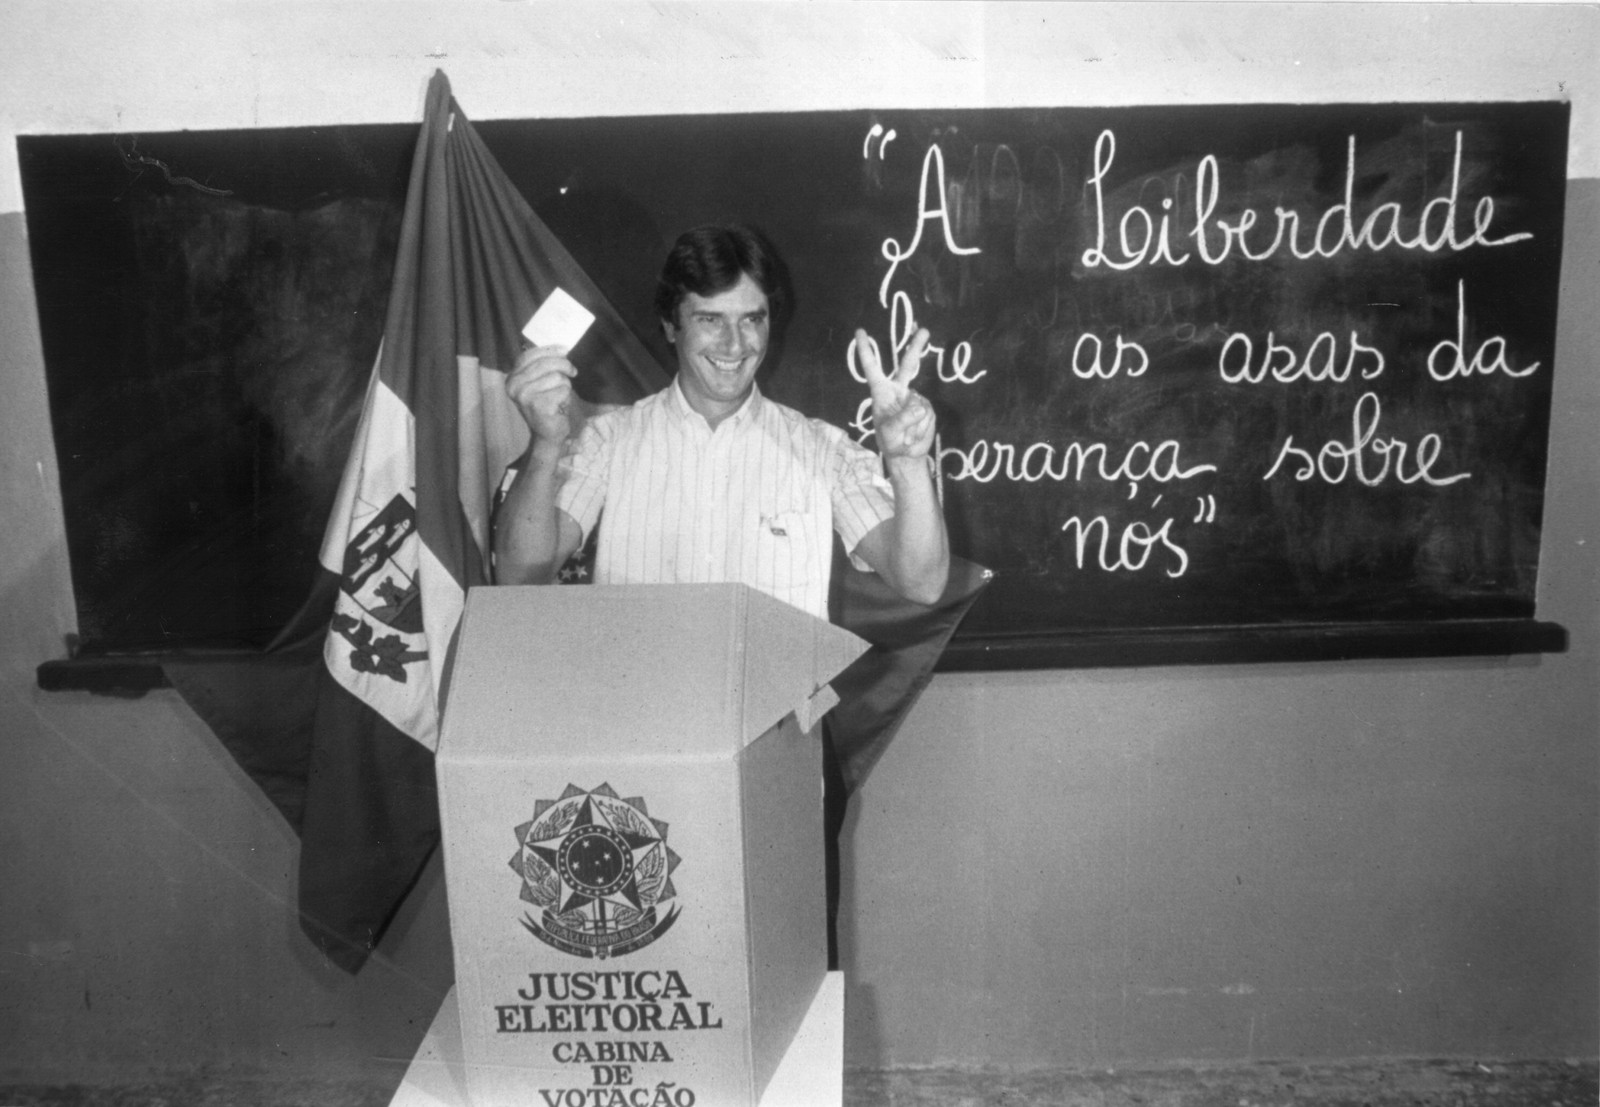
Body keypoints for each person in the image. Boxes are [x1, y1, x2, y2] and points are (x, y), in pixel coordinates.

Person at [493, 224, 950, 612]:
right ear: (671, 326)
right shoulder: (606, 441)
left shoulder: (824, 450)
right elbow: (519, 578)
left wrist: (908, 464)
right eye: (710, 320)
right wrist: (547, 443)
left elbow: (922, 583)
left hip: (782, 717)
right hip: (646, 712)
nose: (735, 345)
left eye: (752, 320)